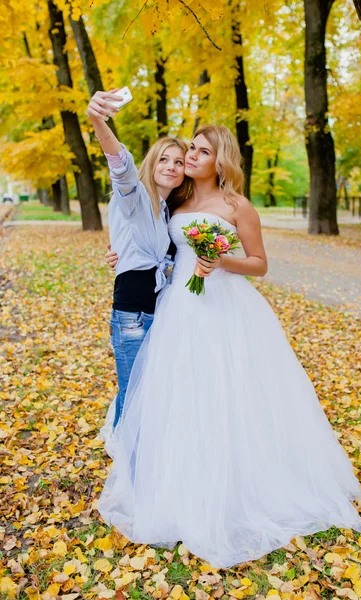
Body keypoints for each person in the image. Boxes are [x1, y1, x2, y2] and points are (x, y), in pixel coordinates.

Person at [99, 125, 361, 569]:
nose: (191, 157)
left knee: (228, 390)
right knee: (180, 393)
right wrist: (119, 255)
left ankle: (238, 481)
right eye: (191, 151)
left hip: (225, 305)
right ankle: (176, 479)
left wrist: (223, 260)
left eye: (201, 151)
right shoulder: (176, 199)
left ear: (220, 158)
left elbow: (260, 264)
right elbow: (152, 242)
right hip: (176, 307)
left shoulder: (237, 206)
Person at [87, 89, 191, 432]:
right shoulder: (135, 195)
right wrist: (98, 121)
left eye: (178, 162)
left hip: (159, 311)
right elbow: (120, 167)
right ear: (152, 162)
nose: (171, 167)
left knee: (150, 393)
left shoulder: (165, 210)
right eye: (164, 159)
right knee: (132, 395)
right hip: (132, 314)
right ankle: (125, 470)